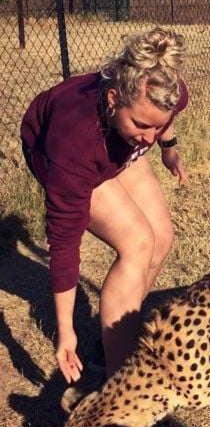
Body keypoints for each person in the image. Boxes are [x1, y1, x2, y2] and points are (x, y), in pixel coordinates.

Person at [20, 27, 189, 383]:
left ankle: (111, 339)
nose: (148, 138)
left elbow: (163, 118)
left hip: (111, 143)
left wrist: (168, 149)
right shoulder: (75, 144)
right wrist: (66, 332)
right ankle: (120, 383)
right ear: (113, 98)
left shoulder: (163, 89)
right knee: (137, 243)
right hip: (59, 149)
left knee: (161, 236)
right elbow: (65, 241)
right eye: (141, 125)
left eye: (154, 130)